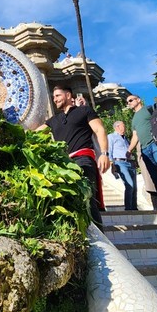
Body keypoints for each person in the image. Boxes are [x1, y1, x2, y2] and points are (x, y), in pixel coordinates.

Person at [41, 85, 109, 227]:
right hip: (63, 165)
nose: (55, 99)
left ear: (68, 95)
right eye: (53, 97)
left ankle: (101, 238)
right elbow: (34, 133)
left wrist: (104, 153)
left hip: (83, 159)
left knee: (87, 199)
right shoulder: (54, 120)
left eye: (58, 96)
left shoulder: (85, 111)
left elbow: (99, 129)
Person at [127, 95, 157, 209]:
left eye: (130, 100)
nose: (128, 103)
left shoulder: (148, 110)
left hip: (155, 144)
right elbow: (135, 135)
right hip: (145, 149)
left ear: (138, 100)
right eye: (127, 102)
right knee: (155, 178)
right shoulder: (134, 119)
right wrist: (129, 150)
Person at [108, 121, 137, 210]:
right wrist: (111, 163)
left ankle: (134, 208)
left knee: (135, 187)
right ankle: (128, 208)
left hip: (130, 162)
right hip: (120, 162)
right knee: (129, 184)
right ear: (117, 127)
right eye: (123, 125)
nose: (124, 127)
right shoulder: (111, 137)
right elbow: (109, 150)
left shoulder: (125, 138)